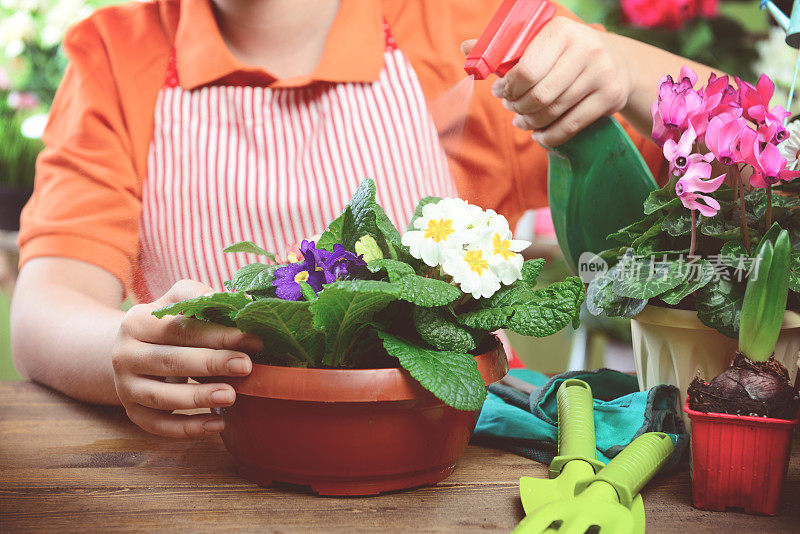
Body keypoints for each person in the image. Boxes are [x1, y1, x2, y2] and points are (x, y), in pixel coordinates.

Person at [11, 0, 716, 437]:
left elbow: (753, 136)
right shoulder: (112, 53)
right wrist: (120, 351)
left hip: (466, 442)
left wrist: (615, 68)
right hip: (219, 457)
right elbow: (47, 310)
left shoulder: (465, 24)